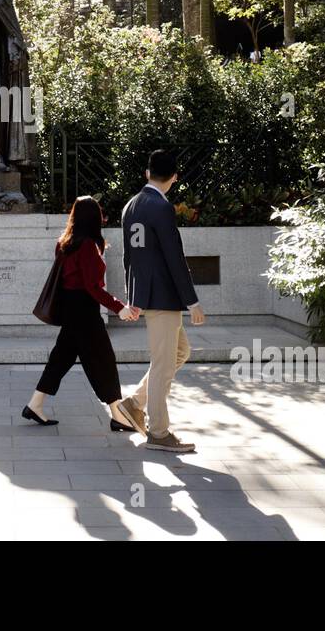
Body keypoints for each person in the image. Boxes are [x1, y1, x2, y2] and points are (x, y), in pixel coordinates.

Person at [22, 196, 142, 433]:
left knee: (61, 358)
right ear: (94, 218)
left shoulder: (64, 242)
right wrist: (120, 307)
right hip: (84, 309)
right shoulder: (87, 245)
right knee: (103, 359)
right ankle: (117, 414)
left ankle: (35, 405)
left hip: (70, 307)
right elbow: (92, 286)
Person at [117, 150, 206, 453]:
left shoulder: (131, 206)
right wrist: (192, 301)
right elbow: (174, 258)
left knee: (179, 351)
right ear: (175, 177)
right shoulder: (162, 208)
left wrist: (134, 297)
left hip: (148, 294)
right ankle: (158, 432)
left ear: (147, 173)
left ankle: (134, 402)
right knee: (163, 364)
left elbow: (129, 258)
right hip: (165, 297)